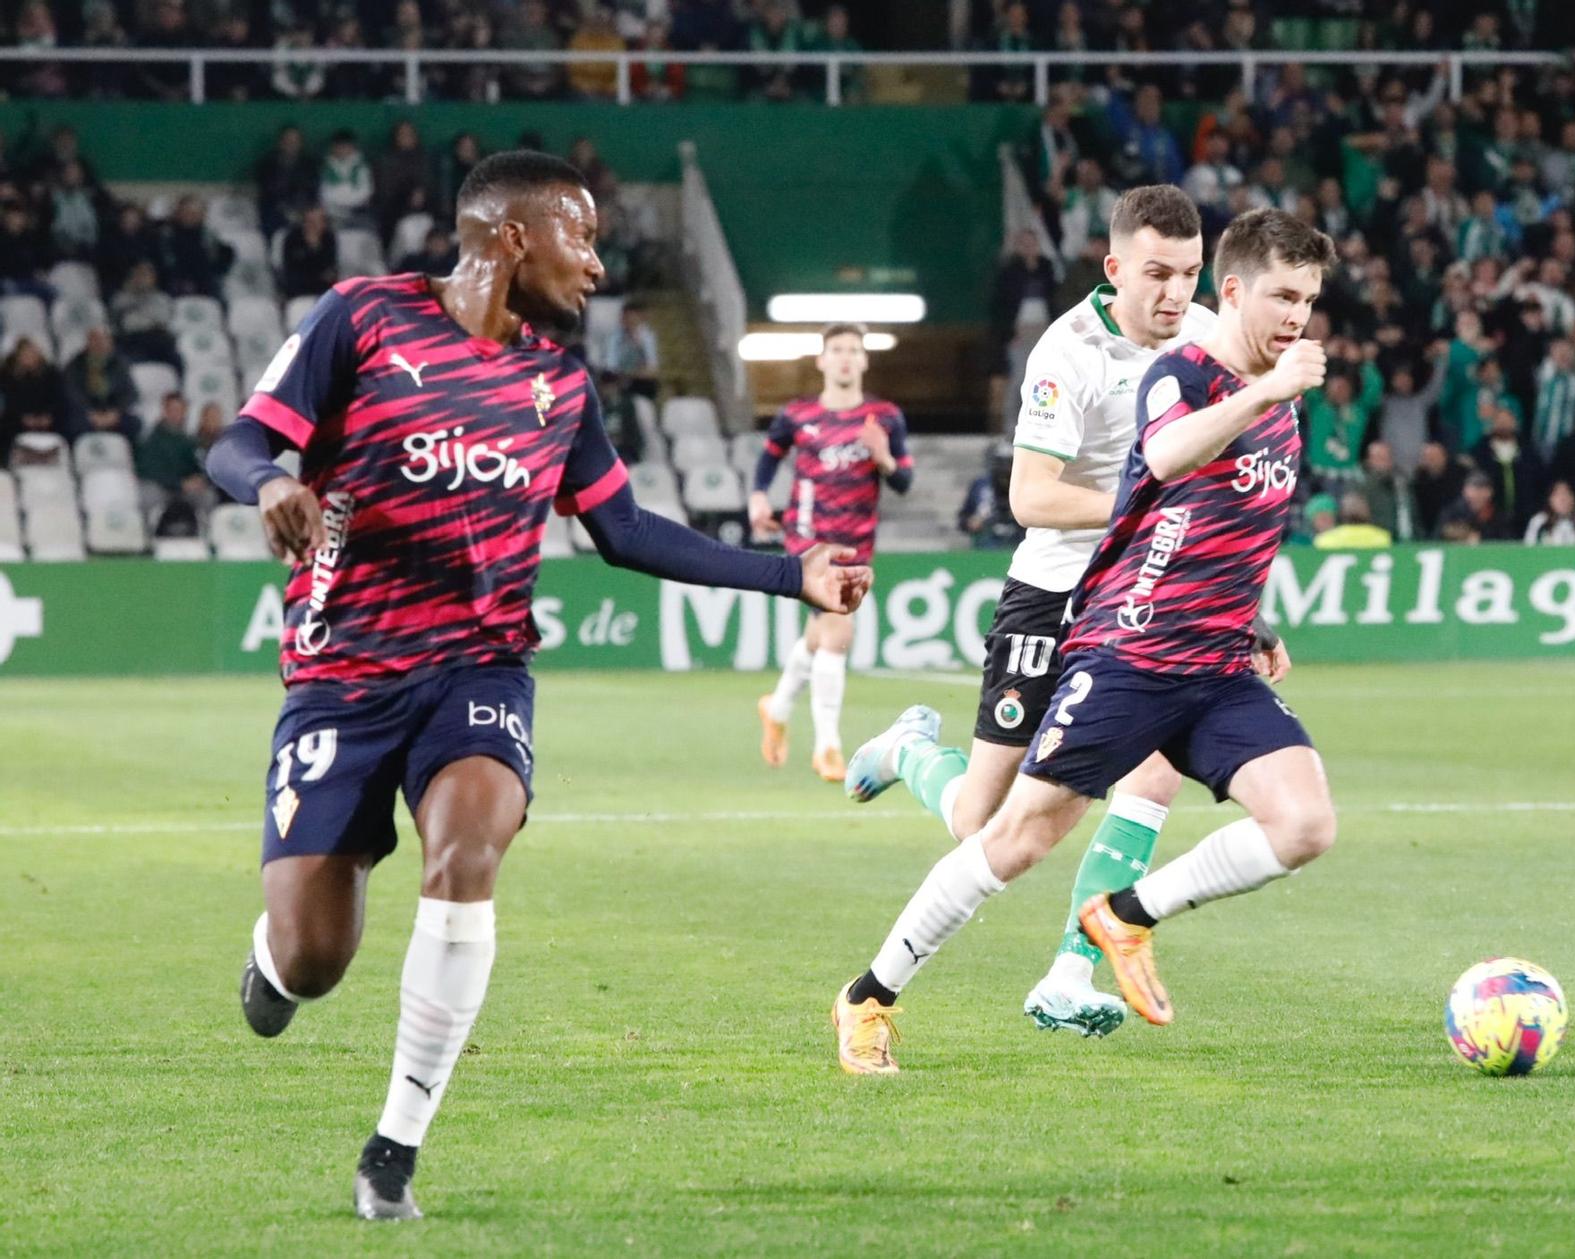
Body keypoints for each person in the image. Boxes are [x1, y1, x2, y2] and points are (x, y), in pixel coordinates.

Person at [204, 152, 871, 1221]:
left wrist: (789, 573)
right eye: (583, 236)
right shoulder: (362, 317)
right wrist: (274, 479)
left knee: (469, 848)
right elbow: (240, 440)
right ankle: (274, 965)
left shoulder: (559, 383)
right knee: (314, 955)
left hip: (479, 665)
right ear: (512, 237)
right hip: (342, 673)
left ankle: (394, 1148)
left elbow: (622, 528)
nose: (599, 264)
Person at [830, 209, 1334, 1074]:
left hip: (1207, 664)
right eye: (1283, 296)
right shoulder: (1177, 371)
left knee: (1306, 823)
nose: (1298, 316)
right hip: (1119, 647)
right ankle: (869, 994)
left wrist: (1250, 622)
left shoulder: (1276, 392)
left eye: (1310, 300)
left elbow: (1215, 527)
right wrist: (1263, 393)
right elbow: (1168, 458)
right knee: (1001, 833)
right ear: (1238, 290)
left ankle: (1121, 918)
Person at [749, 324, 912, 782]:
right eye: (836, 350)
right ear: (821, 360)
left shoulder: (884, 417)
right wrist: (759, 496)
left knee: (820, 638)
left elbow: (903, 482)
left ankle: (777, 706)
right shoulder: (797, 414)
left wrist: (884, 458)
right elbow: (769, 455)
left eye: (853, 351)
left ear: (863, 361)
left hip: (856, 542)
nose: (844, 358)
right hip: (806, 539)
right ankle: (828, 746)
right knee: (838, 633)